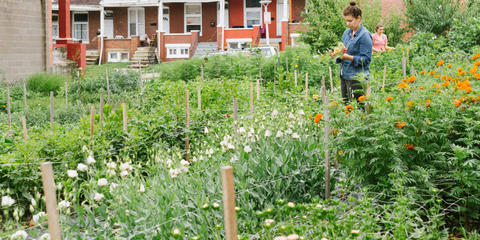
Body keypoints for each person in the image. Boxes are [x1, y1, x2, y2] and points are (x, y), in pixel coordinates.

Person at [330, 1, 373, 104]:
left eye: (350, 21)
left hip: (357, 78)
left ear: (359, 18)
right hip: (344, 75)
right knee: (347, 107)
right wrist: (337, 54)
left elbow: (366, 60)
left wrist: (349, 57)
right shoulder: (347, 33)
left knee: (359, 108)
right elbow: (343, 49)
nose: (347, 24)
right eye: (346, 21)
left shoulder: (365, 36)